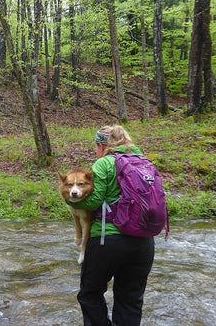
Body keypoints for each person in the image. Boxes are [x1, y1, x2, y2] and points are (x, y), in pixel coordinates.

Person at [67, 125, 155, 326]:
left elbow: (92, 201)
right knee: (130, 299)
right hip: (143, 242)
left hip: (108, 240)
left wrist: (68, 197)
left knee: (90, 294)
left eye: (96, 147)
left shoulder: (104, 163)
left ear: (101, 145)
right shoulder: (144, 162)